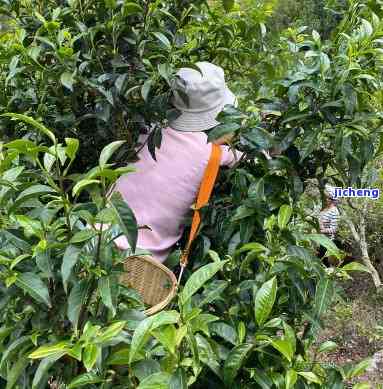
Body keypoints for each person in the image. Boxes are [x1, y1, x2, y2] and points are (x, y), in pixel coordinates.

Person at [108, 62, 267, 263]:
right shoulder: (213, 154)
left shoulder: (148, 129)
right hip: (141, 264)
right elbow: (257, 157)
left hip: (94, 236)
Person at [318, 184, 341, 264]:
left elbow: (334, 229)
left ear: (331, 199)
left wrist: (323, 230)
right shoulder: (325, 208)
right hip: (321, 239)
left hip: (327, 241)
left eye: (327, 198)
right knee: (320, 259)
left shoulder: (334, 211)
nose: (325, 199)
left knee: (324, 262)